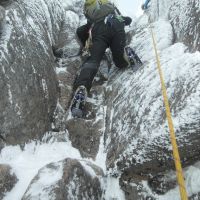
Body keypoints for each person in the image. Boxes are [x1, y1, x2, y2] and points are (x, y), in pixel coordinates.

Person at [71, 0, 135, 117]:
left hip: (99, 29)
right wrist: (127, 20)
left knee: (93, 61)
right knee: (120, 62)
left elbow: (82, 30)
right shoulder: (110, 5)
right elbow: (126, 19)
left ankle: (82, 87)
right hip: (116, 23)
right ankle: (125, 53)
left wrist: (86, 45)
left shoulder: (89, 7)